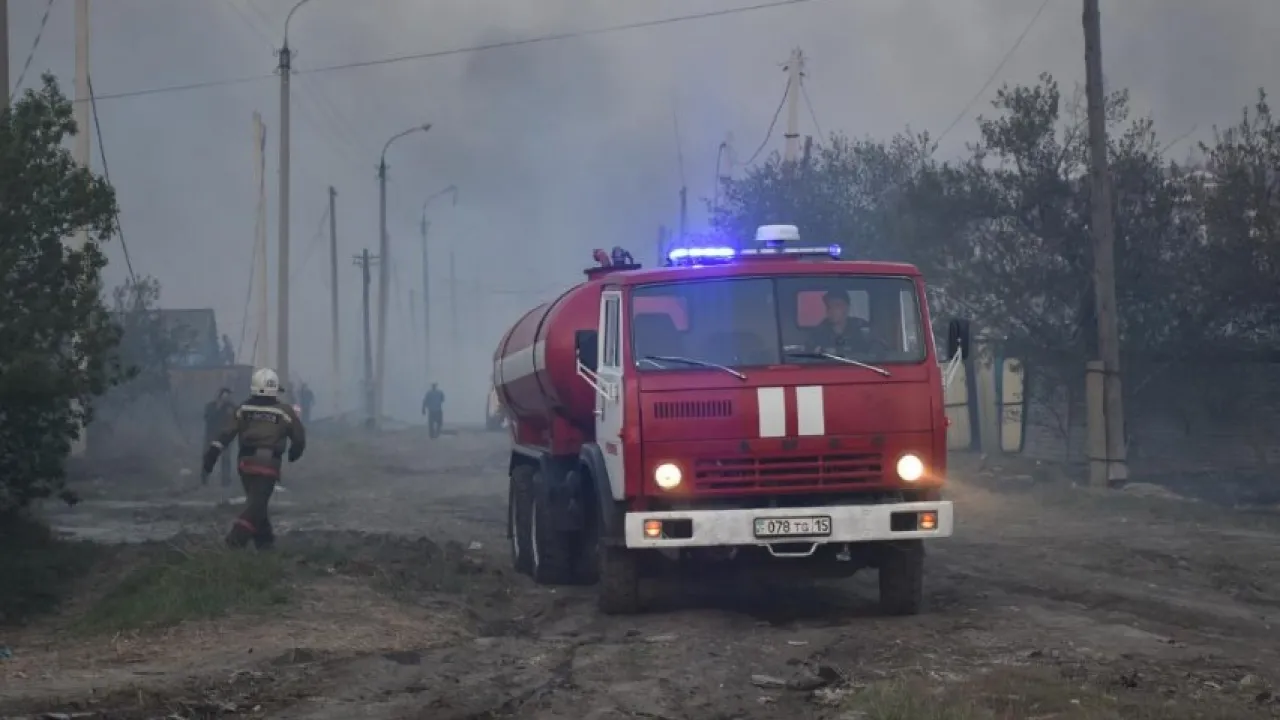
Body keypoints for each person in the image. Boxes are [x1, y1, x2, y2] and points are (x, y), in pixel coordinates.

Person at [202, 367, 306, 550]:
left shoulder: (243, 409)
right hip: (268, 465)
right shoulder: (284, 411)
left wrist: (211, 455)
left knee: (258, 504)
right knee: (256, 507)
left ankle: (265, 546)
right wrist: (295, 452)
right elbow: (299, 437)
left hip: (245, 465)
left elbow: (225, 434)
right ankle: (234, 542)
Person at [806, 289, 874, 357]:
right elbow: (808, 357)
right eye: (829, 306)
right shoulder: (817, 333)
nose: (831, 310)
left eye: (837, 305)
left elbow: (874, 356)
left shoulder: (862, 329)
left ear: (847, 308)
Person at [202, 388, 236, 487]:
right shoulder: (211, 406)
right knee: (207, 457)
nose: (227, 398)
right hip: (211, 436)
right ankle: (204, 479)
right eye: (225, 395)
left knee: (226, 459)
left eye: (228, 396)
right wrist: (218, 408)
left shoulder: (231, 407)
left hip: (225, 437)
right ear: (220, 396)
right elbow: (207, 418)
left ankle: (225, 481)